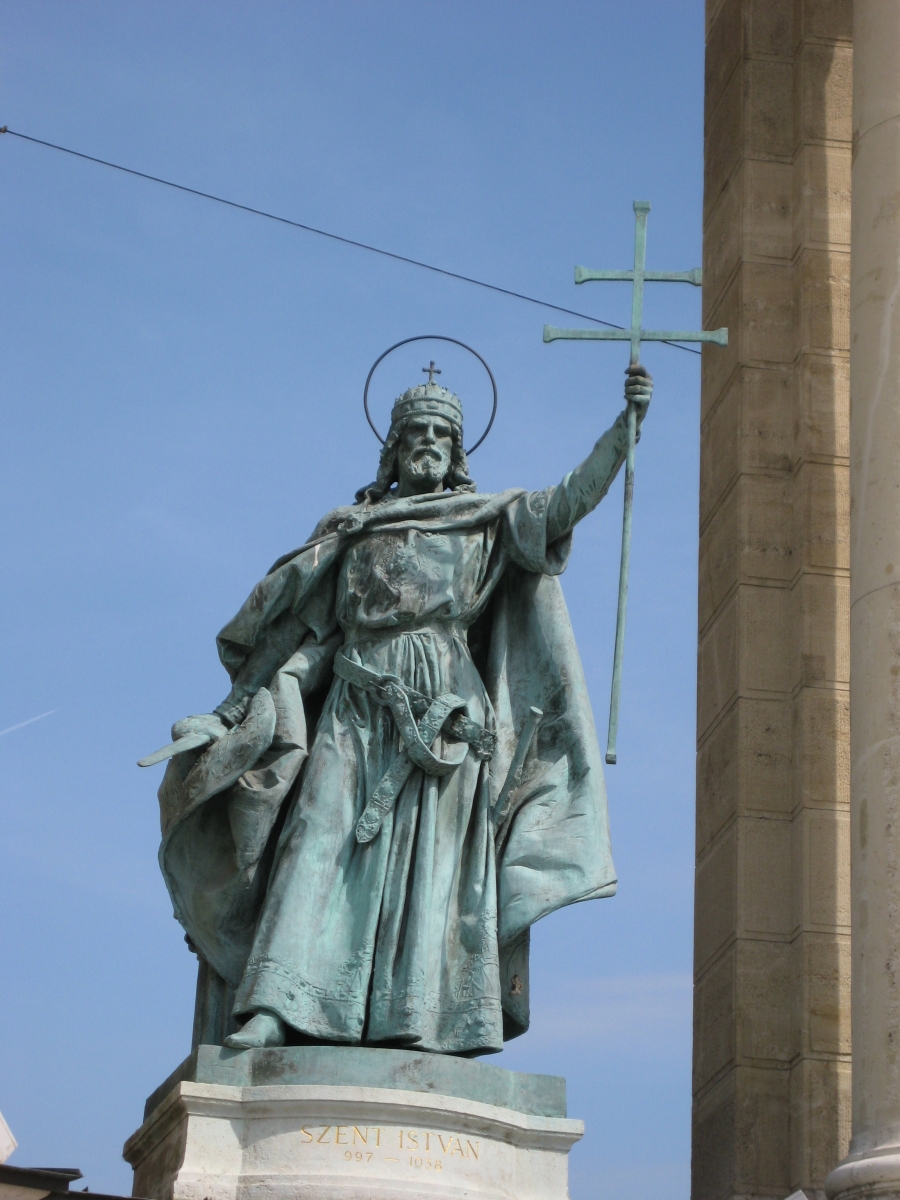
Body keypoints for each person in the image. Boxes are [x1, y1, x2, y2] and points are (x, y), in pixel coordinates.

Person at [155, 365, 652, 1055]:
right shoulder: (353, 532)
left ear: (456, 452)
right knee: (315, 839)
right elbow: (312, 641)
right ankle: (273, 1004)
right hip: (357, 704)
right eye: (414, 432)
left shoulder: (483, 523)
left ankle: (421, 1020)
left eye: (440, 434)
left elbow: (565, 504)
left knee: (436, 872)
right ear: (391, 449)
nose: (427, 441)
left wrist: (622, 435)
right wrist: (242, 710)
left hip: (444, 721)